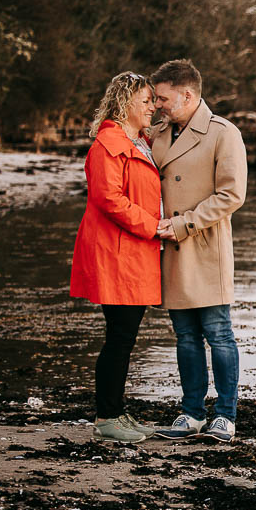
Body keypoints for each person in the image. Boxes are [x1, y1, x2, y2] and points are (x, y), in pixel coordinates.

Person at [150, 59, 247, 442]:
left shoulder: (223, 133)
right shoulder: (157, 134)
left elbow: (231, 195)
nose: (157, 105)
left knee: (218, 333)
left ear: (187, 95)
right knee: (185, 336)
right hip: (169, 248)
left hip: (204, 245)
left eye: (163, 98)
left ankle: (225, 416)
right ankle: (191, 413)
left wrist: (184, 224)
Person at [70, 72, 170, 443]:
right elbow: (108, 198)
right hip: (116, 252)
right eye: (145, 101)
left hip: (132, 250)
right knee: (120, 336)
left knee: (124, 337)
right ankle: (107, 417)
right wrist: (153, 226)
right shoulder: (108, 144)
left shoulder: (138, 142)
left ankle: (116, 411)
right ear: (125, 102)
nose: (152, 107)